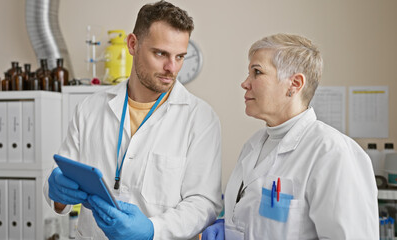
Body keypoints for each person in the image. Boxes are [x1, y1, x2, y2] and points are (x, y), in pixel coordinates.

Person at [43, 1, 222, 239]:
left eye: (180, 57)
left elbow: (203, 203)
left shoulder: (201, 118)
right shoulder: (90, 108)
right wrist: (56, 193)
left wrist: (152, 230)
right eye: (161, 53)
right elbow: (61, 176)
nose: (172, 67)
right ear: (132, 44)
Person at [202, 33, 378, 239]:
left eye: (257, 72)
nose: (245, 83)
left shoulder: (332, 152)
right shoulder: (254, 144)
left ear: (294, 84)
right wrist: (232, 228)